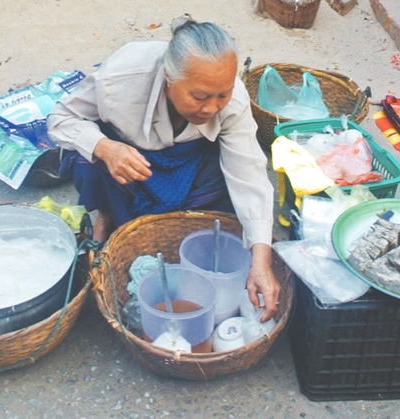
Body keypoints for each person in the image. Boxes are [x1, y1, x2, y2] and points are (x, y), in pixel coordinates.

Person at [47, 16, 281, 322]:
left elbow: (248, 172)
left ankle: (136, 218)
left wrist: (261, 260)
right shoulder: (120, 77)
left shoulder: (232, 95)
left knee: (231, 206)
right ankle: (107, 214)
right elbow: (60, 119)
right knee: (87, 161)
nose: (211, 108)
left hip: (190, 162)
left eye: (220, 96)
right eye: (199, 97)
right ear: (169, 77)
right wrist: (107, 149)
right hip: (129, 160)